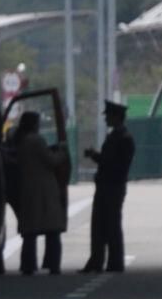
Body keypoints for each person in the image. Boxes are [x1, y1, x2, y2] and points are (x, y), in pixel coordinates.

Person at [10, 110, 68, 275]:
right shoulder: (36, 140)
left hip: (28, 190)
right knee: (53, 230)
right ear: (34, 124)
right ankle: (53, 264)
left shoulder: (20, 141)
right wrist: (62, 152)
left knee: (30, 232)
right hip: (44, 190)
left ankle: (28, 265)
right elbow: (51, 161)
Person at [80, 100, 135, 274]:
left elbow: (112, 162)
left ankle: (112, 262)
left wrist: (96, 155)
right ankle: (100, 261)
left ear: (116, 117)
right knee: (101, 224)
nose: (106, 120)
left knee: (110, 224)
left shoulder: (122, 138)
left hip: (112, 186)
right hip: (108, 185)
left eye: (108, 116)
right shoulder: (118, 137)